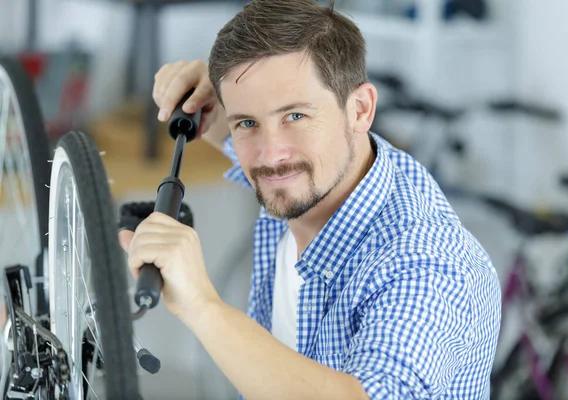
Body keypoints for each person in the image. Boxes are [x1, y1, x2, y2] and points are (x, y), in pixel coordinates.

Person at [118, 0, 502, 398]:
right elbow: (258, 146)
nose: (271, 155)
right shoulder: (319, 171)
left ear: (360, 110)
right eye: (248, 123)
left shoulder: (429, 261)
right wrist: (215, 109)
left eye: (295, 117)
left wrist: (201, 304)